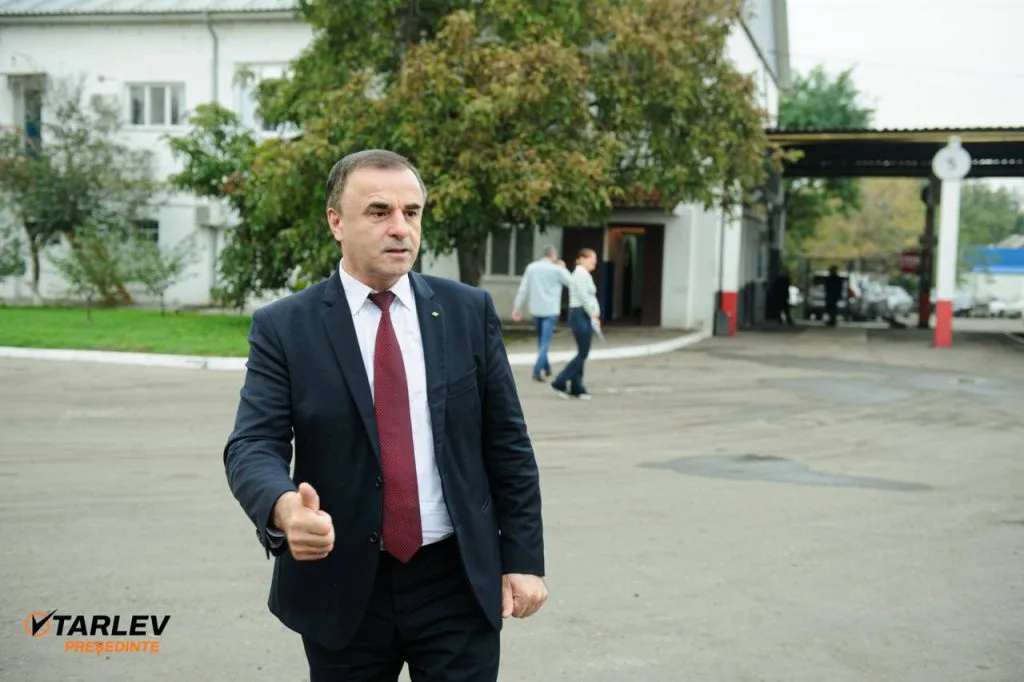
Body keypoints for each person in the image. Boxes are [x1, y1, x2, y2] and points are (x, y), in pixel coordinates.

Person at [223, 149, 547, 681]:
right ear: (336, 222)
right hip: (342, 585)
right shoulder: (286, 327)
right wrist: (284, 508)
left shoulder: (467, 311)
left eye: (411, 212)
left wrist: (523, 559)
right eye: (379, 211)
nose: (400, 228)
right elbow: (253, 444)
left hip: (457, 581)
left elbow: (507, 444)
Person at [511, 245, 571, 382]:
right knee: (545, 342)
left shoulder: (532, 268)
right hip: (550, 310)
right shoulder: (557, 269)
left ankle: (547, 367)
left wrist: (517, 308)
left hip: (536, 309)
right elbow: (570, 282)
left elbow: (523, 288)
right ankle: (537, 370)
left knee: (541, 340)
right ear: (553, 255)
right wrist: (564, 268)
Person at [551, 248, 601, 400]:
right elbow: (584, 296)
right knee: (583, 352)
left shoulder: (582, 273)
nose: (594, 262)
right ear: (582, 259)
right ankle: (560, 381)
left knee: (582, 351)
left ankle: (576, 387)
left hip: (582, 314)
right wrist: (592, 313)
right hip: (580, 314)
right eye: (592, 259)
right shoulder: (580, 274)